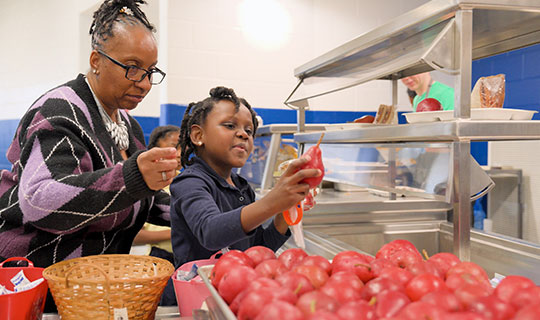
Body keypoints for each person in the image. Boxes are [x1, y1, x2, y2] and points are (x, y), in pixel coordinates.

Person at [0, 0, 176, 270]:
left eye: (151, 71)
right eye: (132, 67)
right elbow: (39, 199)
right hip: (37, 280)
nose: (144, 83)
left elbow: (139, 196)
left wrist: (193, 210)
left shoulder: (128, 125)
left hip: (92, 283)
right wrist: (133, 177)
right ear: (96, 60)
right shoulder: (59, 111)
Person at [169, 87, 321, 268]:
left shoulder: (241, 187)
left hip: (232, 290)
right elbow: (210, 232)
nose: (243, 134)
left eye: (249, 131)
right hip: (195, 292)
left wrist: (283, 210)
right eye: (230, 125)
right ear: (198, 135)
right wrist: (272, 201)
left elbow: (258, 251)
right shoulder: (189, 182)